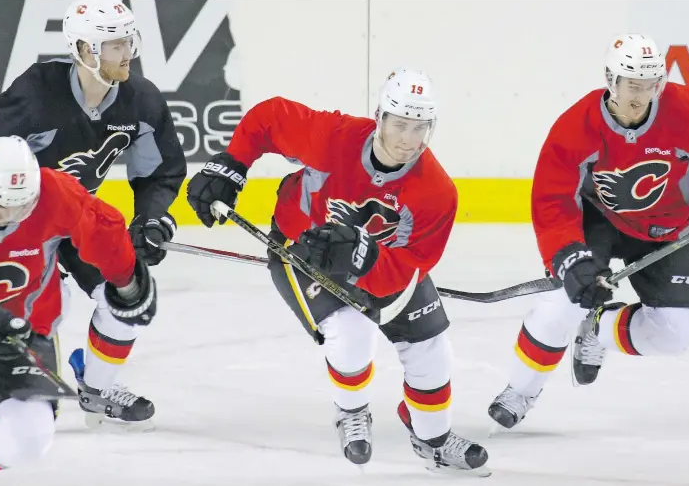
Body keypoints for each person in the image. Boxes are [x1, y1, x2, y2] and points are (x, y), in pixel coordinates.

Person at [186, 68, 490, 475]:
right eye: (399, 124)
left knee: (431, 348)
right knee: (352, 336)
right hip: (302, 252)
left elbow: (406, 267)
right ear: (379, 117)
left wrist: (364, 260)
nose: (407, 139)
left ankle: (433, 438)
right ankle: (351, 412)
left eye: (419, 128)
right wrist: (232, 164)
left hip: (383, 268)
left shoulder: (435, 191)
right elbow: (269, 117)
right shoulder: (333, 138)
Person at [487, 34, 689, 429]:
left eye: (651, 84)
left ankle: (599, 328)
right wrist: (570, 259)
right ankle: (521, 389)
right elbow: (551, 200)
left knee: (676, 334)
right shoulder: (576, 126)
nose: (642, 95)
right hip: (599, 221)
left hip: (671, 228)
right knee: (560, 304)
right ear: (611, 79)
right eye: (633, 84)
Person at [0, 0, 186, 426]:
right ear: (85, 50)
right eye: (114, 45)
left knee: (127, 300)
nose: (127, 53)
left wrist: (150, 217)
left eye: (129, 41)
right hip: (26, 221)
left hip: (77, 217)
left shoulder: (140, 102)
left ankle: (96, 384)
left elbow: (158, 173)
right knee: (32, 303)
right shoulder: (39, 91)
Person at [0, 136, 158, 471]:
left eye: (21, 206)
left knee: (30, 437)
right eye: (0, 206)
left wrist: (127, 283)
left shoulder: (53, 193)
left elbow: (104, 230)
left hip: (22, 335)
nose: (10, 216)